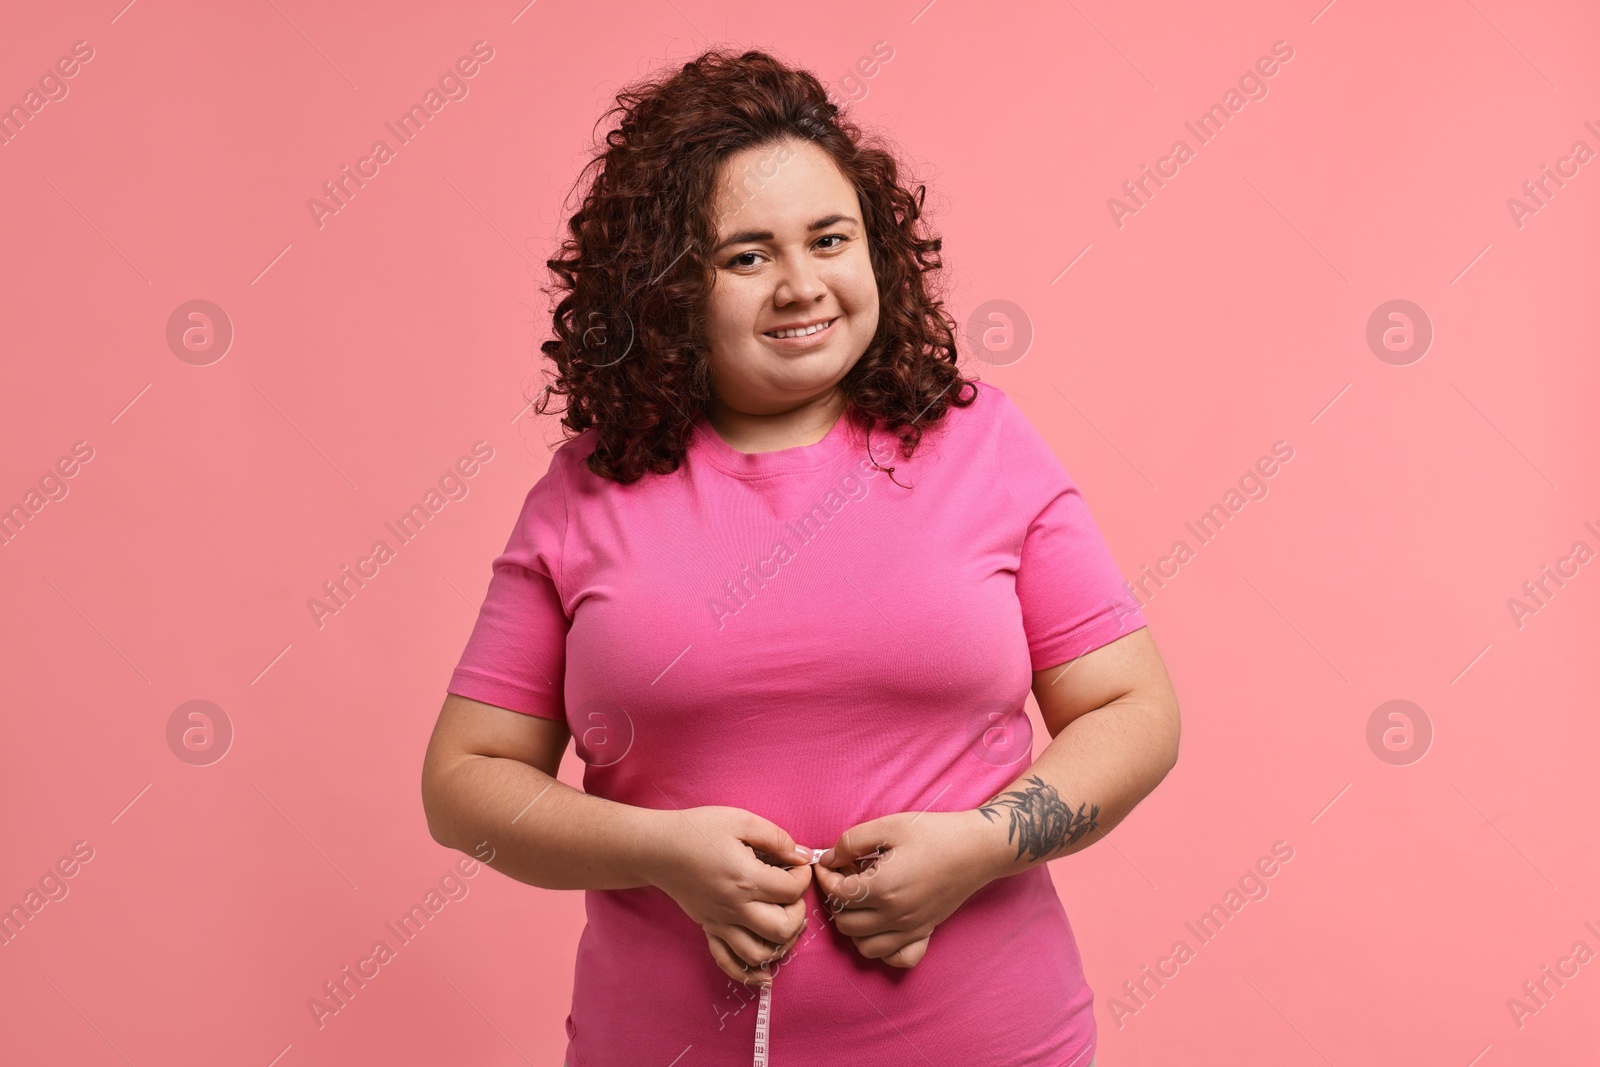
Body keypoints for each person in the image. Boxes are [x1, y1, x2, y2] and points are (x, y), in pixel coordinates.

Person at [420, 47, 1179, 1067]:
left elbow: (1136, 710)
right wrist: (660, 850)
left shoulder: (980, 445)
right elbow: (464, 781)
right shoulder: (584, 492)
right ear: (667, 287)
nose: (799, 285)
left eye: (829, 239)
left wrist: (980, 844)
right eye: (745, 255)